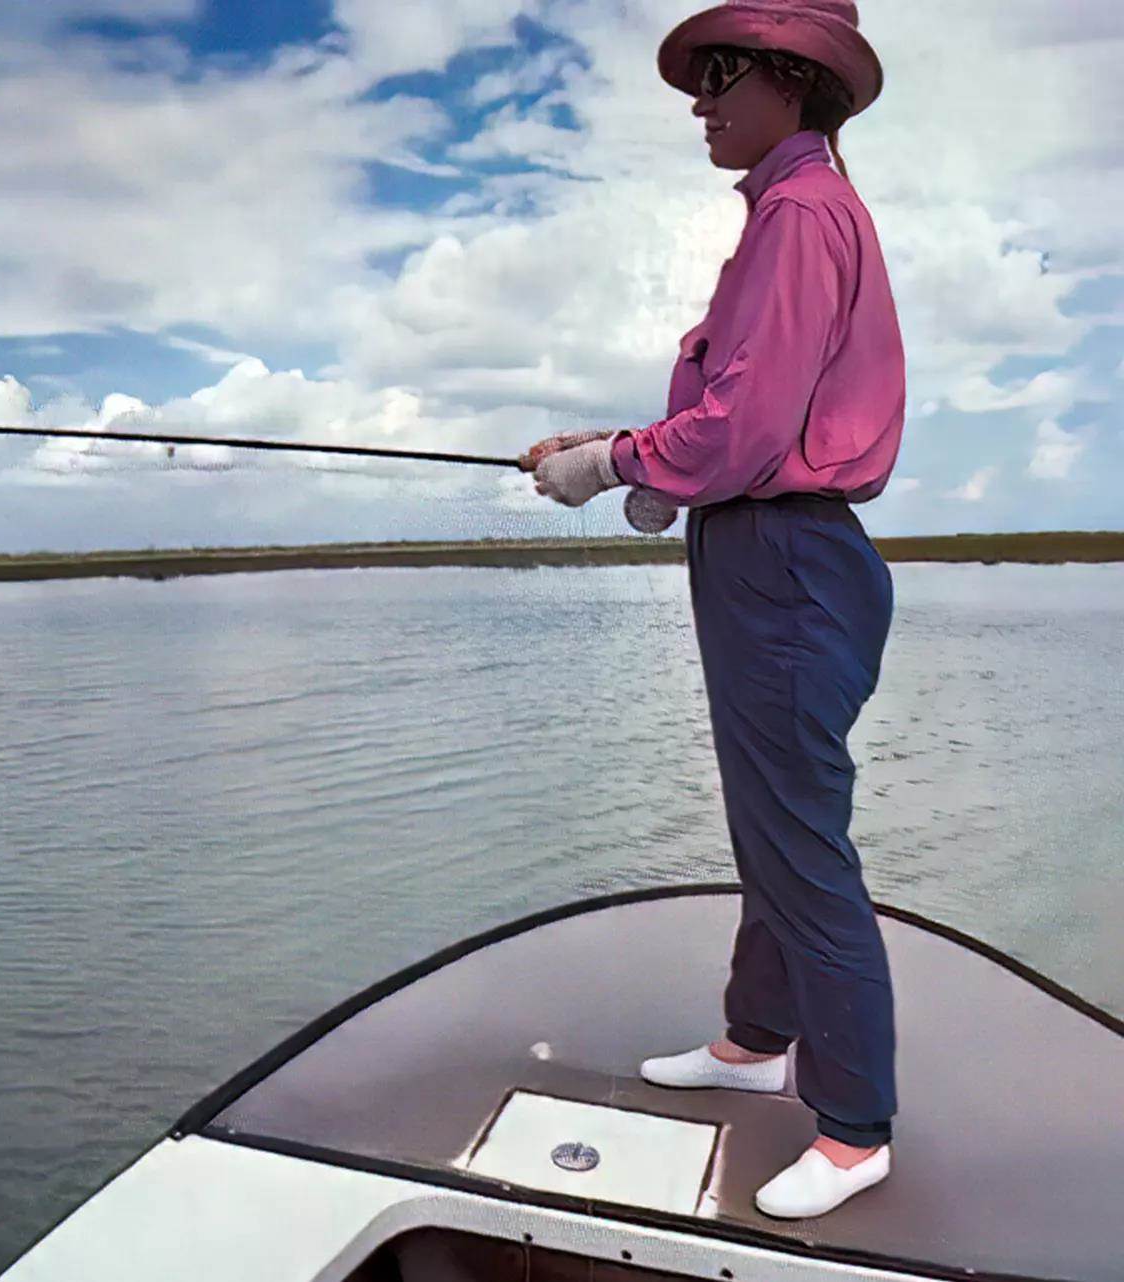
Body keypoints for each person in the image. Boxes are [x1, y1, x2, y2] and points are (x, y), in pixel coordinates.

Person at [520, 0, 905, 1220]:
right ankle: (757, 1039)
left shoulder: (799, 212)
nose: (700, 99)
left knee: (802, 842)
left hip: (784, 559)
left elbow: (741, 430)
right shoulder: (788, 212)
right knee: (767, 818)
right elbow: (745, 420)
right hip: (763, 547)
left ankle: (853, 1129)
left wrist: (609, 466)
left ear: (793, 81)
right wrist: (630, 455)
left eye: (722, 73)